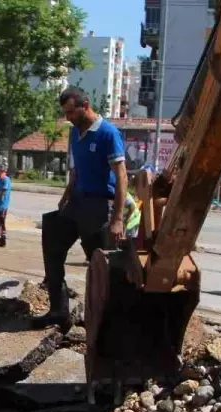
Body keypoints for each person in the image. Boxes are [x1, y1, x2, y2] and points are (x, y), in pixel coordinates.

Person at [38, 87, 127, 327]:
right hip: (77, 202)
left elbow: (122, 177)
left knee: (100, 266)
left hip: (99, 207)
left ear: (85, 105)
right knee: (52, 238)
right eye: (65, 112)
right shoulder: (75, 133)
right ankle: (58, 310)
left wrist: (117, 218)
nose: (68, 117)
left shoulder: (108, 133)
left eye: (71, 112)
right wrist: (67, 193)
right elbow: (76, 169)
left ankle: (106, 322)